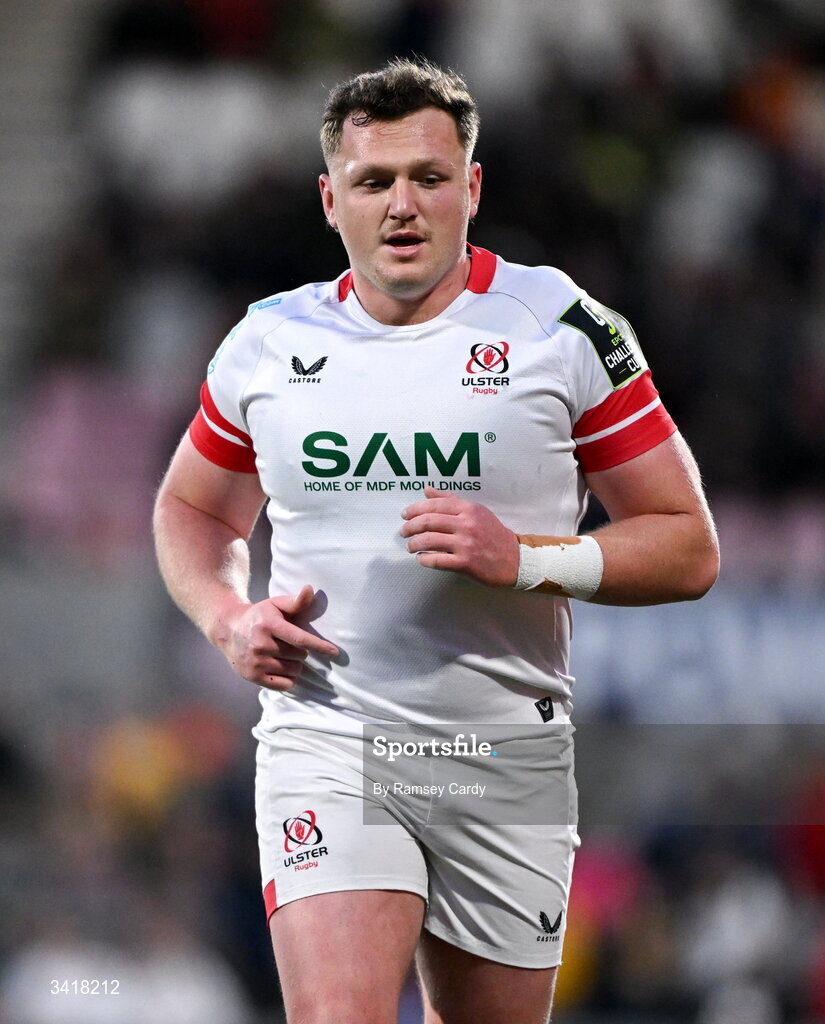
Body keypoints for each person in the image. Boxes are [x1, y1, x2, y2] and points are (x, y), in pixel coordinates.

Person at [153, 57, 719, 1024]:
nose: (402, 206)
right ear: (332, 200)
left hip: (503, 752)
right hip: (329, 736)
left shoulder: (560, 328)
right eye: (374, 182)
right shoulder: (265, 343)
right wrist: (225, 617)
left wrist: (530, 559)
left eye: (429, 177)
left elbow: (686, 547)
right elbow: (192, 510)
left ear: (473, 188)